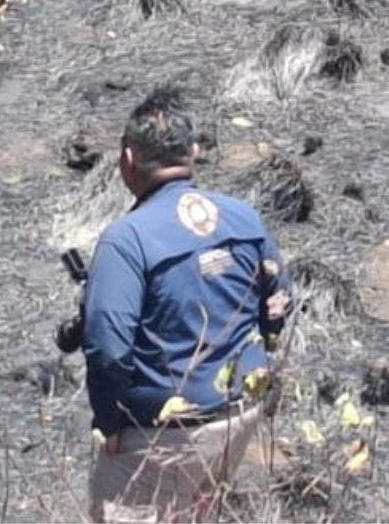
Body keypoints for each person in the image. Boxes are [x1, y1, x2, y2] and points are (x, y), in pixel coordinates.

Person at [81, 90, 294, 523]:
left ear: (127, 159)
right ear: (194, 151)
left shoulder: (127, 240)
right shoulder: (242, 217)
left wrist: (109, 421)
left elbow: (108, 346)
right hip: (239, 411)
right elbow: (278, 303)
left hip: (162, 433)